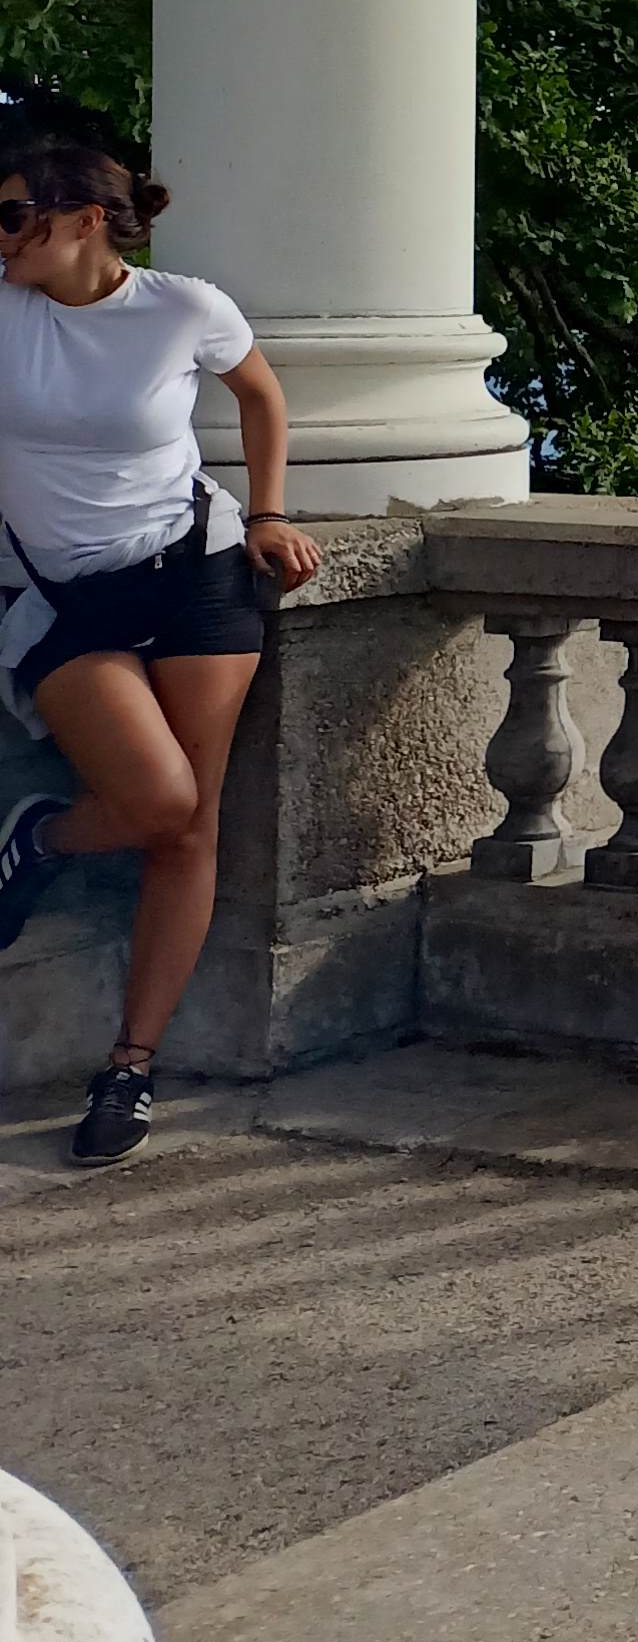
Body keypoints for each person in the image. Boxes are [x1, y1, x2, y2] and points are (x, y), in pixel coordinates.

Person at [0, 142, 321, 1162]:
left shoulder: (184, 308)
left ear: (85, 221)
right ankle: (39, 837)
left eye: (13, 218)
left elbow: (261, 396)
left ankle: (130, 1068)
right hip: (66, 599)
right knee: (157, 802)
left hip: (196, 574)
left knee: (190, 830)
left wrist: (268, 512)